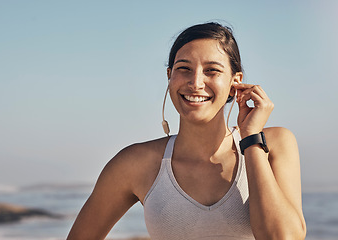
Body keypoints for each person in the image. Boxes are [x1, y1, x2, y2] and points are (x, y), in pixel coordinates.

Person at [67, 22, 306, 240]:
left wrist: (251, 138)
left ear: (236, 82)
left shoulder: (273, 144)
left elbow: (283, 238)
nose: (196, 82)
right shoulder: (134, 164)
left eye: (212, 70)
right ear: (169, 76)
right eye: (184, 68)